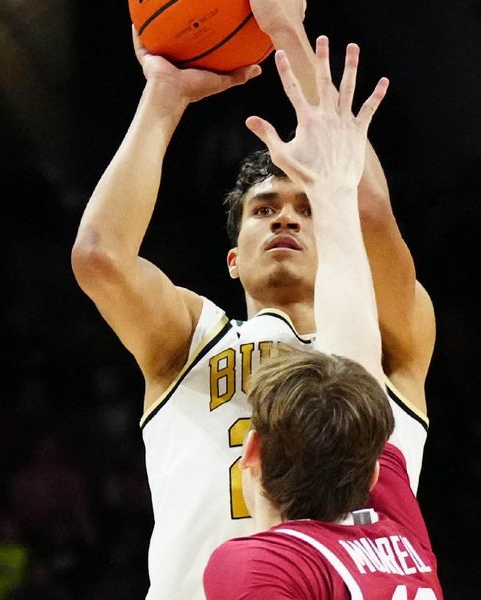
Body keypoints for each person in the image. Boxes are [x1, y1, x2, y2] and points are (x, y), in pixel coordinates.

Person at [71, 2, 435, 597]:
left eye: (306, 209)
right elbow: (99, 258)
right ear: (233, 259)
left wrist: (285, 30)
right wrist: (163, 95)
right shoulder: (193, 339)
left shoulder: (392, 342)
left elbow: (367, 211)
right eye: (264, 210)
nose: (285, 219)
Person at [204, 37, 443, 598]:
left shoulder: (260, 567)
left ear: (253, 454)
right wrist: (332, 190)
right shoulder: (399, 531)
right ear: (377, 472)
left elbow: (356, 380)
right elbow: (355, 376)